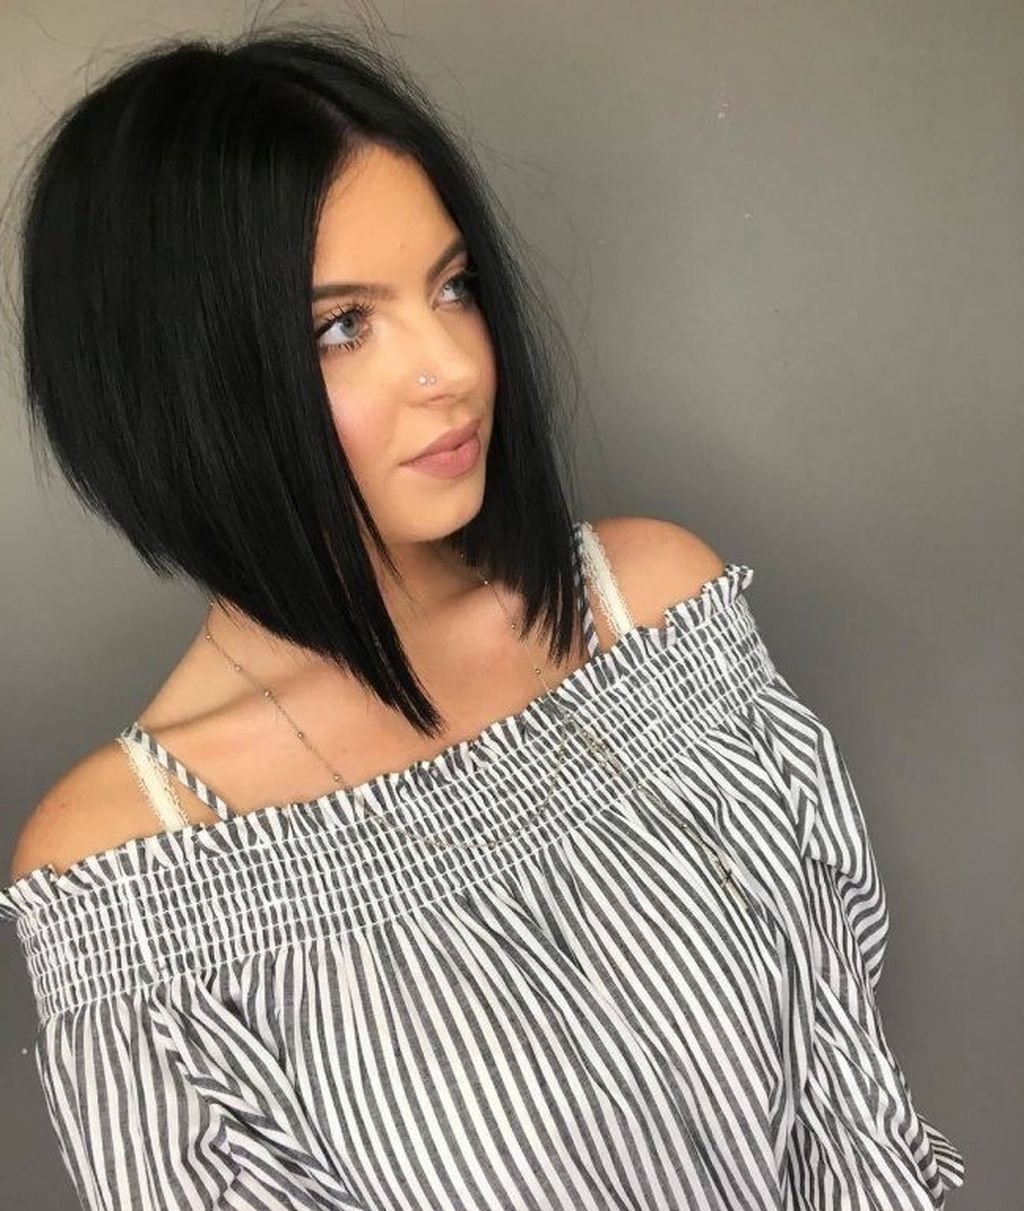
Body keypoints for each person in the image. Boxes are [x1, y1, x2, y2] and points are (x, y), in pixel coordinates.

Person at [0, 23, 965, 1211]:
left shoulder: (652, 611)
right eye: (341, 325)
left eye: (451, 286)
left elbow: (845, 1101)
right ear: (177, 386)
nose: (452, 365)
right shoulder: (131, 865)